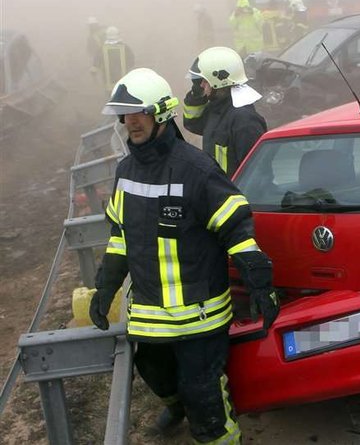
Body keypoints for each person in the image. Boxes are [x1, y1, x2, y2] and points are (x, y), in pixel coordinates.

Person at [89, 68, 279, 442]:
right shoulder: (126, 171)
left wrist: (260, 284)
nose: (130, 122)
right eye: (124, 115)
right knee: (154, 374)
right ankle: (177, 406)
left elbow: (237, 230)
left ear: (161, 114)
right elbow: (119, 239)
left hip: (200, 317)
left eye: (138, 113)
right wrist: (104, 289)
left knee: (205, 402)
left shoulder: (196, 170)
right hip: (150, 316)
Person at [183, 46, 267, 177]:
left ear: (219, 80)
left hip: (233, 194)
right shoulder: (217, 108)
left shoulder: (244, 120)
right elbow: (192, 123)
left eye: (204, 81)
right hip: (218, 190)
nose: (201, 85)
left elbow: (256, 173)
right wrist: (196, 95)